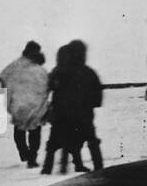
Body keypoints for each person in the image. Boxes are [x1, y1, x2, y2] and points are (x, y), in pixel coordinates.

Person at [41, 40, 104, 175]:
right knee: (90, 140)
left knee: (54, 143)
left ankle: (47, 168)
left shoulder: (59, 71)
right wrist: (92, 104)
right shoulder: (88, 72)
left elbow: (47, 86)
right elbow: (97, 93)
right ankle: (99, 167)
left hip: (61, 114)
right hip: (84, 114)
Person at [0, 40, 49, 167]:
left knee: (20, 129)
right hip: (35, 105)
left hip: (19, 104)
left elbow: (3, 77)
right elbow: (46, 83)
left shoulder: (14, 66)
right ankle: (32, 157)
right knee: (34, 131)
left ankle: (24, 153)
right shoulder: (39, 69)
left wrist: (5, 82)